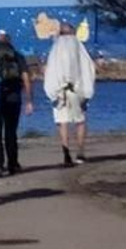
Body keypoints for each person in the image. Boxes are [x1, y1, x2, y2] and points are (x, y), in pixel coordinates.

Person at [43, 22, 96, 166]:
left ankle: (66, 152)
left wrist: (52, 93)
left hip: (60, 90)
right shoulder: (79, 47)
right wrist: (87, 92)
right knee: (80, 121)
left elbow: (50, 71)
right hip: (78, 90)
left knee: (62, 122)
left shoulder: (56, 48)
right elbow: (88, 69)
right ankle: (80, 152)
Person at [0, 29, 34, 176]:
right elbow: (26, 77)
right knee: (11, 131)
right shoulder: (17, 56)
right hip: (14, 97)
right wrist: (29, 100)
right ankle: (13, 163)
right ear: (9, 40)